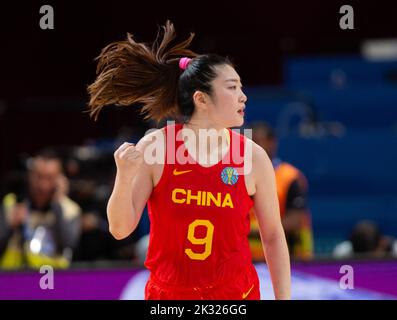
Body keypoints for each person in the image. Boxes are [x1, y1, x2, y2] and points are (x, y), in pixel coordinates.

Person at [87, 21, 290, 300]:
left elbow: (273, 237)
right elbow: (120, 229)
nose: (243, 96)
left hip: (236, 296)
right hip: (170, 299)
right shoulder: (156, 148)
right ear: (201, 99)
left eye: (241, 87)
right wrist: (123, 177)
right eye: (232, 88)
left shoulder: (253, 157)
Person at [0, 150, 81, 269]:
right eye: (38, 176)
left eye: (49, 178)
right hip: (13, 278)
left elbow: (68, 244)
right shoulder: (11, 202)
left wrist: (57, 204)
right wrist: (9, 225)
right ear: (30, 175)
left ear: (60, 179)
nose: (43, 185)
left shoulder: (69, 209)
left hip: (53, 280)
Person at [248, 121, 313, 260]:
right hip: (247, 262)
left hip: (288, 260)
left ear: (272, 143)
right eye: (250, 143)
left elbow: (295, 220)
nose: (253, 148)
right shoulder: (240, 175)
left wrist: (246, 230)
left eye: (258, 142)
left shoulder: (290, 177)